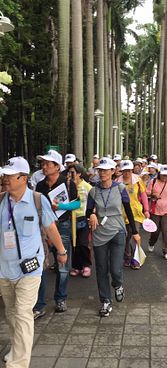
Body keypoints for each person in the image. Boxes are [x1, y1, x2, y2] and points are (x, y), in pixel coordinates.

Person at [0, 157, 67, 368]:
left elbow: (50, 228)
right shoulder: (1, 201)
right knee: (11, 315)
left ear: (23, 178)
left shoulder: (38, 200)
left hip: (29, 269)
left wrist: (62, 251)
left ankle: (18, 364)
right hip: (4, 270)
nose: (5, 179)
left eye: (10, 176)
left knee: (22, 314)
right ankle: (16, 349)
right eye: (4, 175)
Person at [86, 157, 138, 317]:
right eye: (100, 170)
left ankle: (118, 284)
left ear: (113, 171)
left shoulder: (120, 188)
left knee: (115, 268)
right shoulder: (93, 191)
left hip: (118, 231)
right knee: (101, 269)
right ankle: (105, 301)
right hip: (99, 233)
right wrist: (91, 215)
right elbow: (88, 211)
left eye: (105, 170)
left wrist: (135, 232)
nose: (102, 173)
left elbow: (128, 210)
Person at [34, 149, 79, 315]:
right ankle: (39, 304)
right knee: (41, 265)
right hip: (43, 228)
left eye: (48, 164)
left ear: (57, 167)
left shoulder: (67, 183)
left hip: (63, 226)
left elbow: (77, 204)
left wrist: (61, 206)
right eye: (43, 163)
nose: (44, 166)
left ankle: (60, 298)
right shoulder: (40, 185)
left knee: (62, 265)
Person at [119, 160, 150, 269]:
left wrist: (146, 210)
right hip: (122, 213)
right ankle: (127, 256)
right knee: (125, 237)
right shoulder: (117, 182)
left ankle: (136, 259)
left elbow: (143, 195)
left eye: (129, 170)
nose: (127, 173)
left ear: (132, 170)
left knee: (135, 235)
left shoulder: (138, 180)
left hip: (135, 212)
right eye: (125, 171)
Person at [146, 164, 167, 260]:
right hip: (155, 210)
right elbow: (147, 192)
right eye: (163, 175)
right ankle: (151, 242)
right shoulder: (153, 181)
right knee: (155, 231)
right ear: (159, 173)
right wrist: (153, 194)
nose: (165, 177)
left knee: (166, 231)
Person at [66, 164, 92, 278]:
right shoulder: (67, 186)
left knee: (83, 242)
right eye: (69, 172)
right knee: (74, 243)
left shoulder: (86, 186)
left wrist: (91, 215)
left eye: (72, 172)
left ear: (79, 174)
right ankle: (76, 266)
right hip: (71, 218)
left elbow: (93, 202)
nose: (70, 175)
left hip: (83, 218)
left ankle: (86, 265)